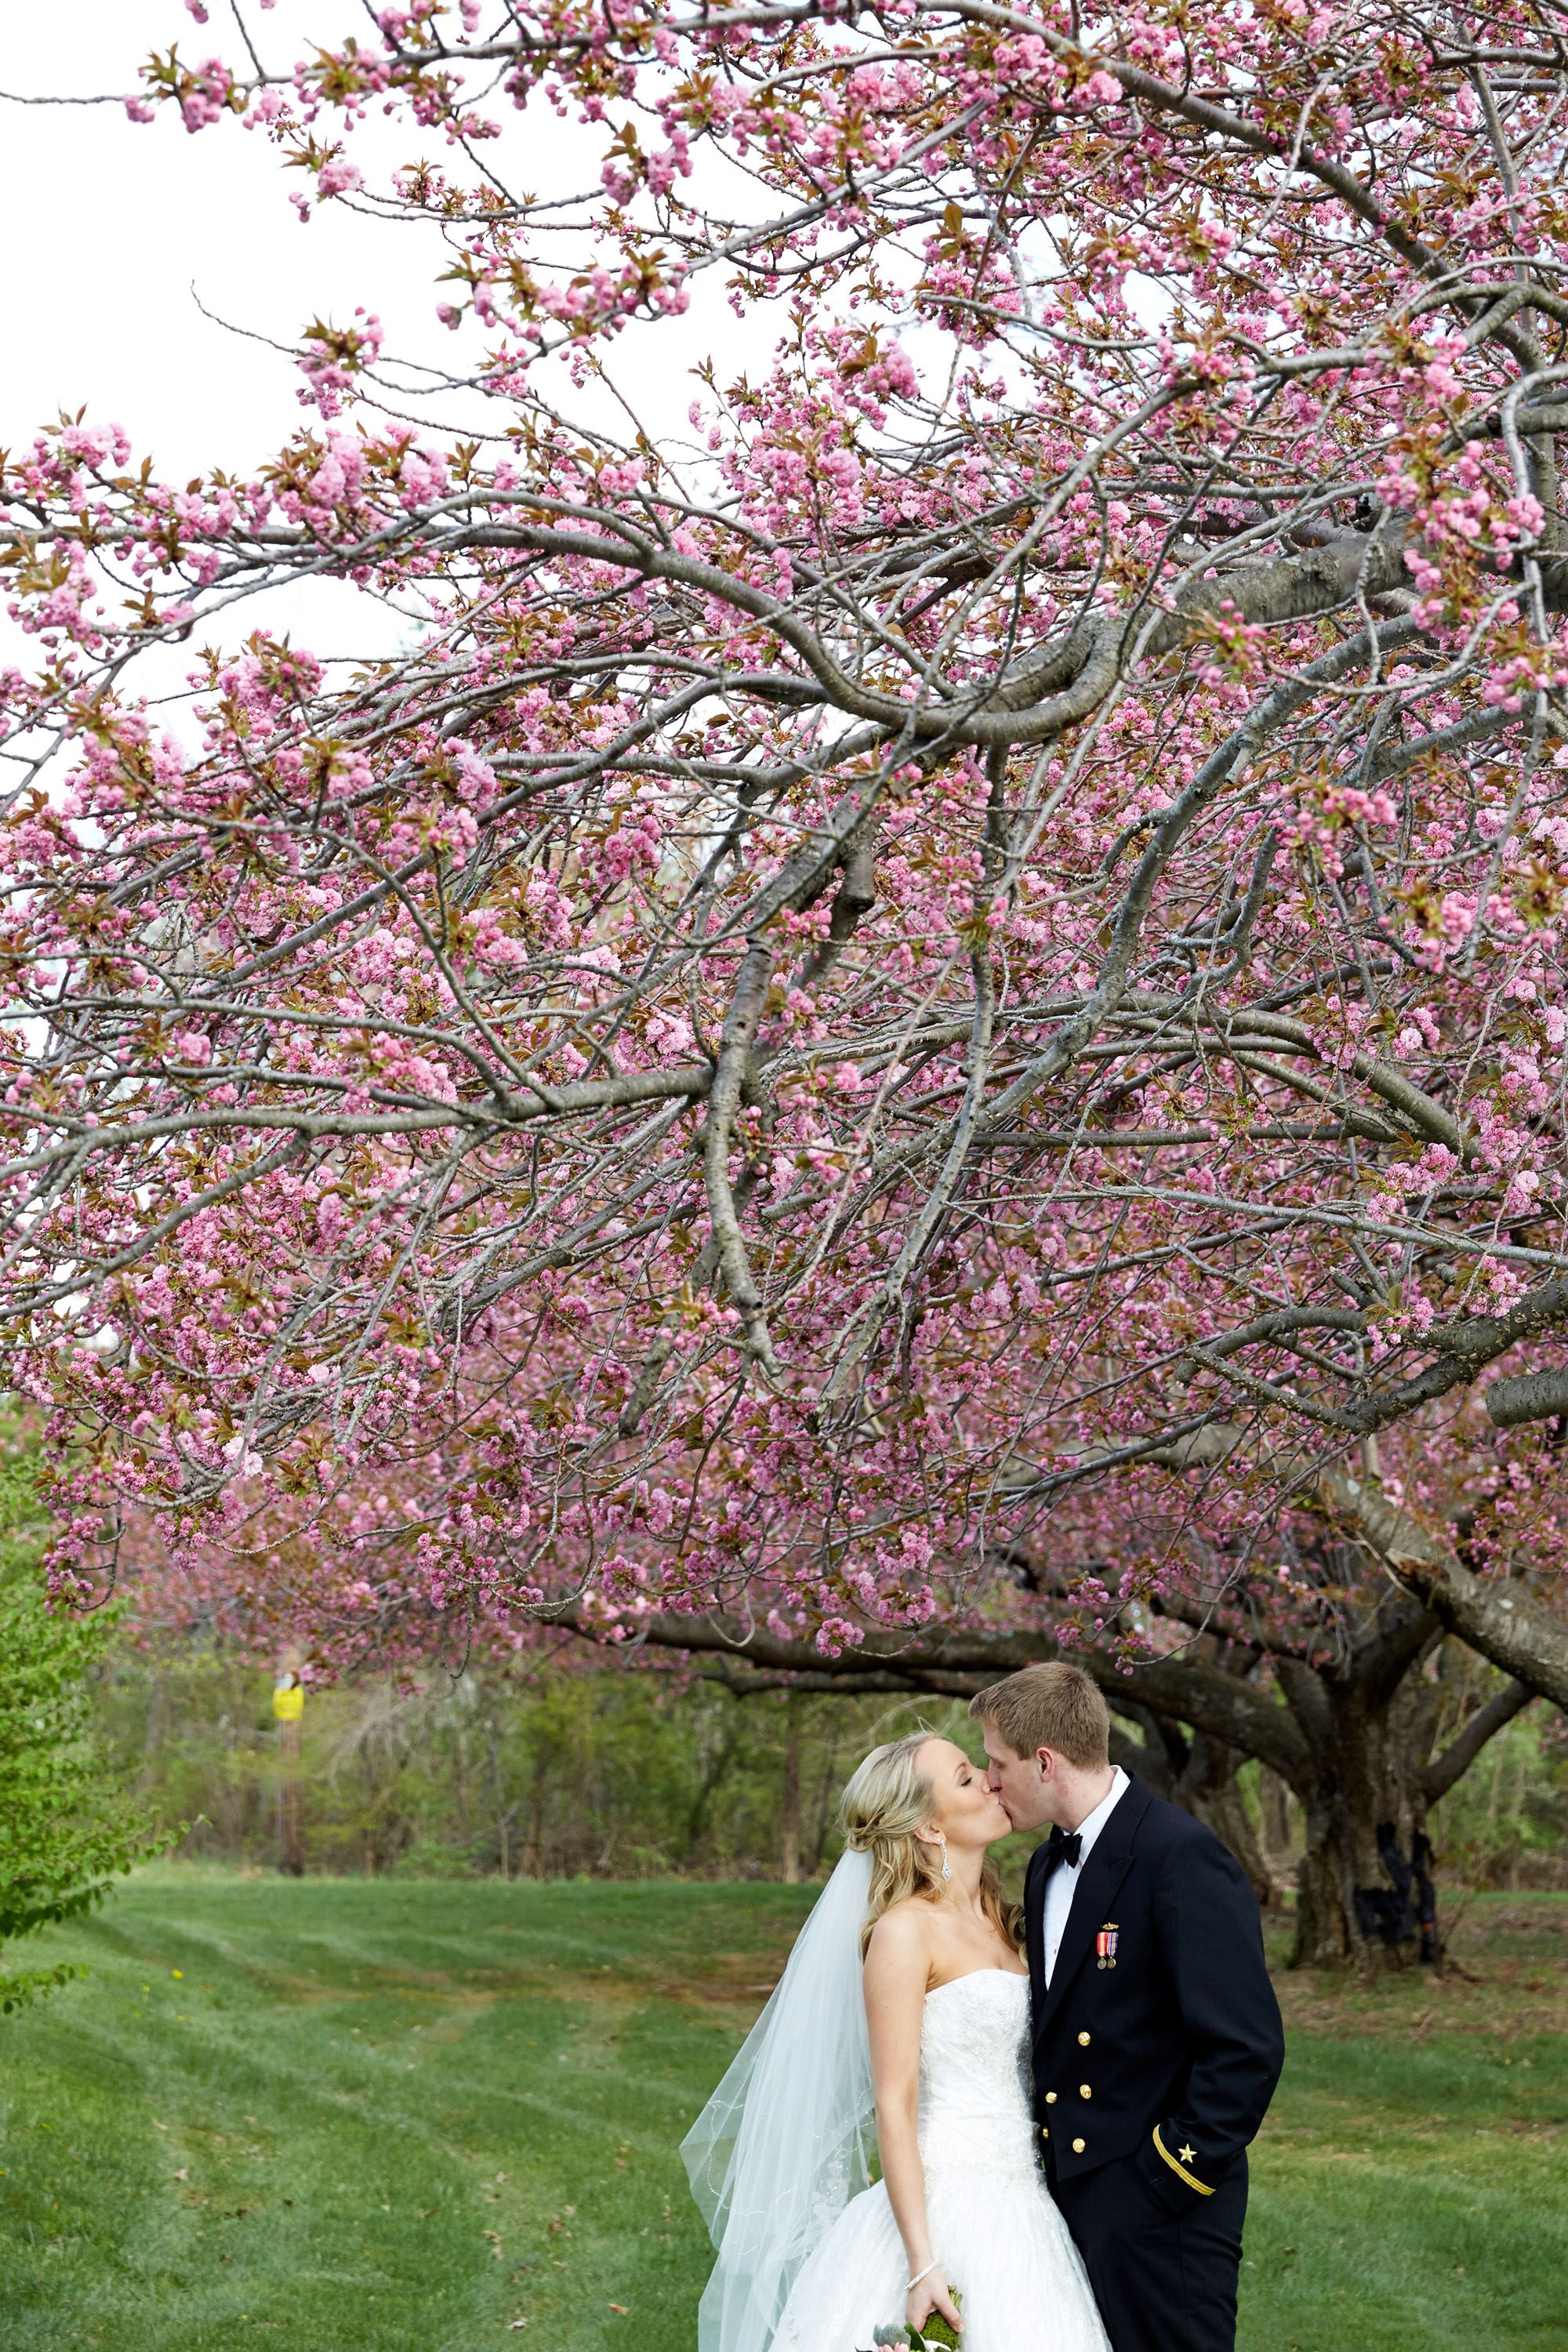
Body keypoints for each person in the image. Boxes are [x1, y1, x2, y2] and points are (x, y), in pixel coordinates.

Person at [684, 1730, 1110, 2352]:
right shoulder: (904, 1934)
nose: (991, 1780)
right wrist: (922, 2263)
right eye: (966, 1778)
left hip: (1028, 2204)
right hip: (941, 2209)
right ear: (929, 1829)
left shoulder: (1006, 1916)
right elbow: (894, 2103)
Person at [973, 1664, 1285, 2352]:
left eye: (997, 1764)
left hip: (1161, 2212)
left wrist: (1164, 2178)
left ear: (1045, 1762)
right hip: (1064, 2201)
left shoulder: (1181, 1857)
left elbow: (1246, 2050)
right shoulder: (1045, 1865)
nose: (989, 1780)